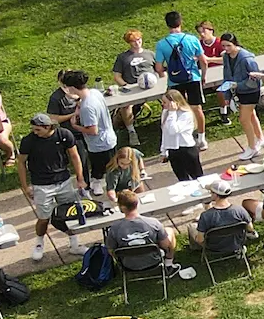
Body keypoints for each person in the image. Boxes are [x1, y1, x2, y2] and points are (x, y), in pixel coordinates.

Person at [16, 112, 85, 262]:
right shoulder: (29, 141)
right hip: (41, 184)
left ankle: (74, 244)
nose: (34, 132)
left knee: (69, 213)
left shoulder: (64, 135)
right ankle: (39, 243)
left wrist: (80, 178)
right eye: (33, 129)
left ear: (48, 127)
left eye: (37, 130)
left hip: (64, 181)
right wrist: (25, 186)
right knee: (43, 218)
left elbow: (74, 156)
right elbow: (21, 163)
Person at [99, 188, 195, 279]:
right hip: (154, 260)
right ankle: (168, 265)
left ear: (121, 207)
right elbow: (166, 245)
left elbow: (111, 250)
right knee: (169, 231)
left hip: (128, 264)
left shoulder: (114, 229)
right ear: (137, 204)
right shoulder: (153, 223)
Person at [150, 10, 209, 138]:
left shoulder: (162, 44)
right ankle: (202, 138)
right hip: (193, 77)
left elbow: (159, 67)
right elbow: (203, 61)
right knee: (197, 108)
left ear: (167, 25)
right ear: (180, 22)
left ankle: (182, 135)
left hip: (174, 80)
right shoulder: (192, 39)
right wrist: (203, 76)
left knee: (176, 109)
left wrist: (168, 71)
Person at [188, 177, 254, 250]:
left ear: (215, 195)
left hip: (213, 247)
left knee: (191, 226)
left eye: (211, 192)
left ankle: (196, 249)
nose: (210, 194)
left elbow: (200, 240)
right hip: (237, 243)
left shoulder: (206, 216)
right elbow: (250, 228)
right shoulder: (240, 210)